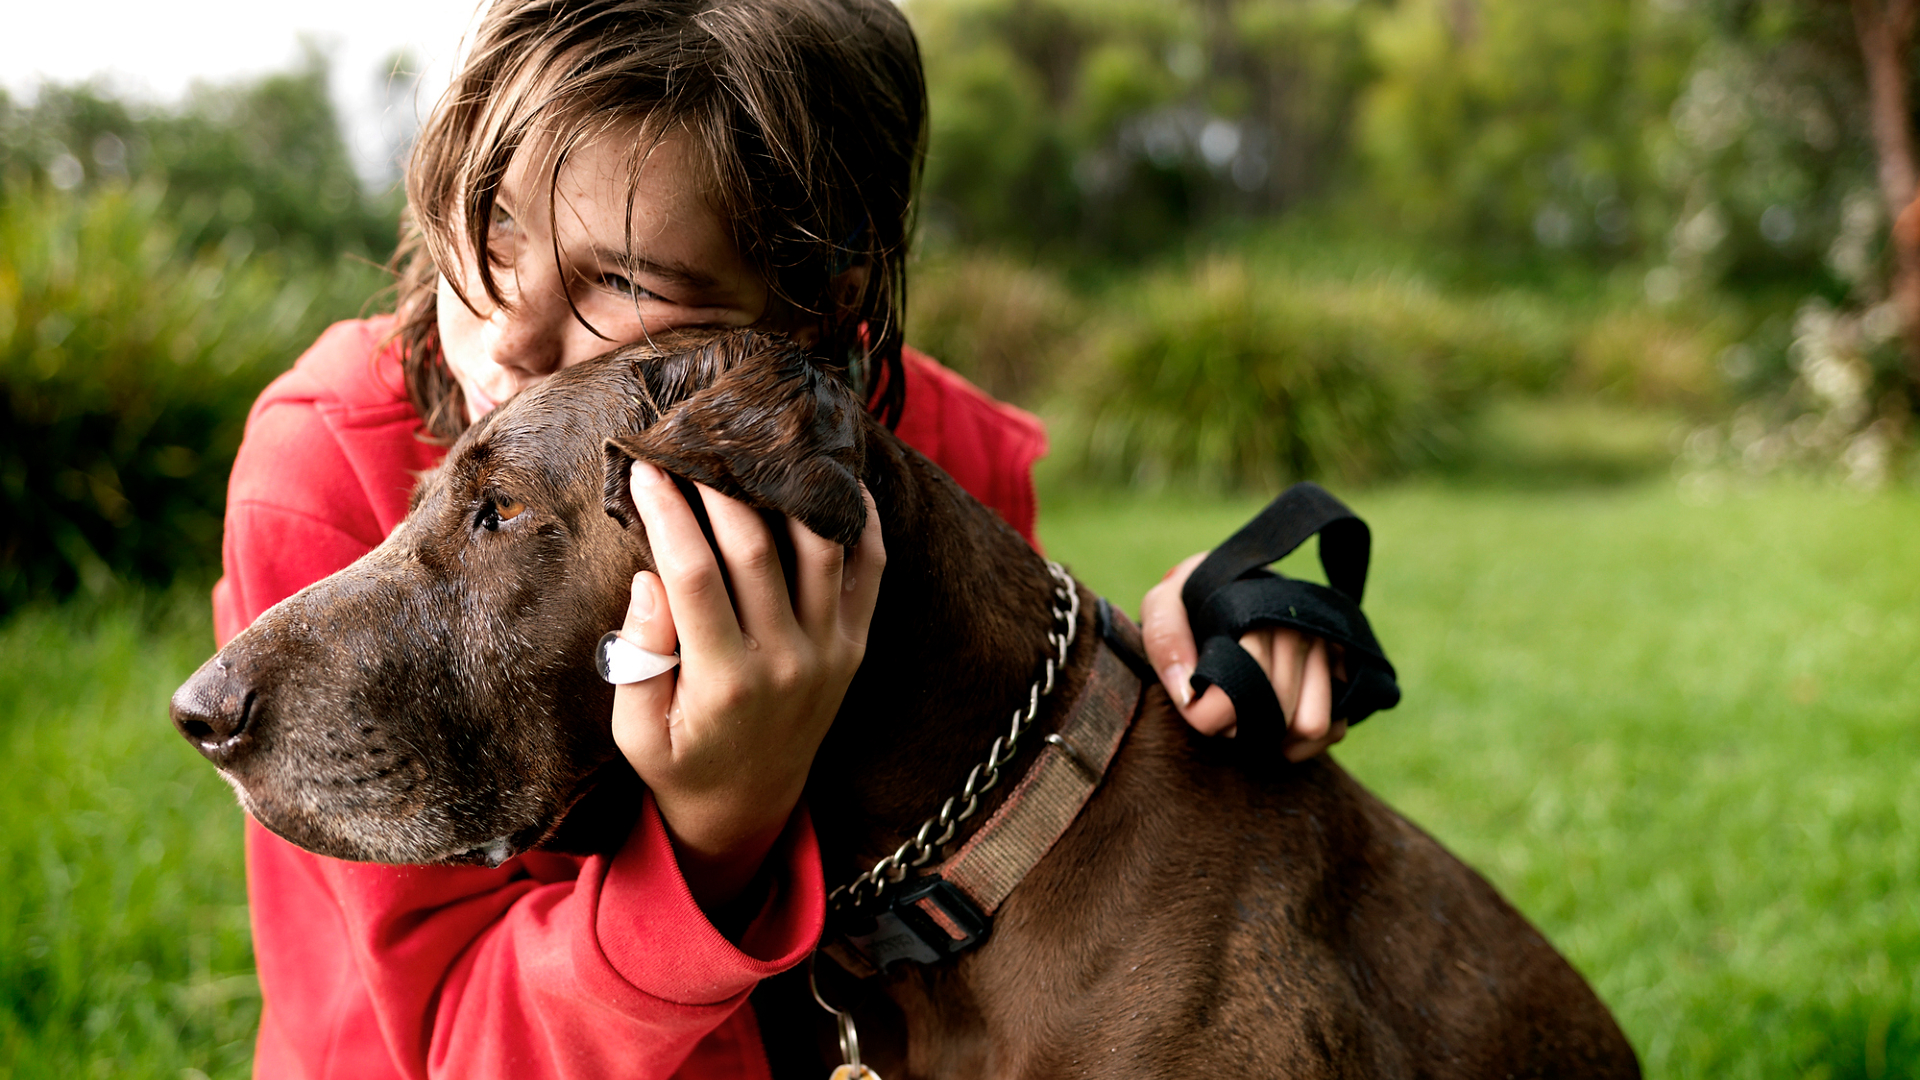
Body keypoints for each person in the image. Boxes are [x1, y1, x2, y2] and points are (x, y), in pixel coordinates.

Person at [213, 0, 1347, 1076]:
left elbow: (994, 803)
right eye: (500, 221)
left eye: (620, 277)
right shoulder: (331, 470)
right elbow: (459, 1044)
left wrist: (1163, 665)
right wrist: (717, 829)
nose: (506, 329)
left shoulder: (934, 456)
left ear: (822, 287)